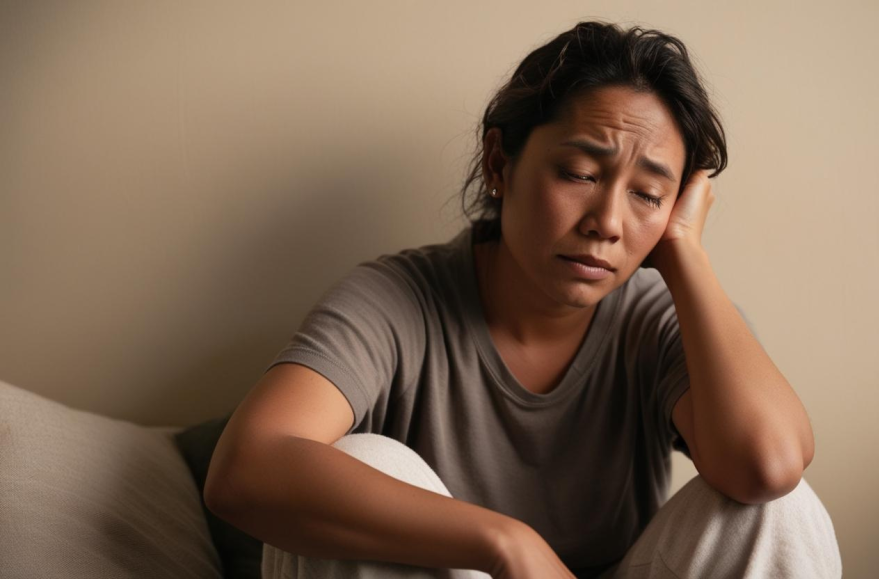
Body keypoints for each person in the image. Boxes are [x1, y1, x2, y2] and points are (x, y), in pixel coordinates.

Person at [204, 20, 842, 579]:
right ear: (499, 163)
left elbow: (769, 466)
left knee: (778, 510)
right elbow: (248, 468)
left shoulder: (658, 318)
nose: (607, 222)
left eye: (648, 195)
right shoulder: (398, 302)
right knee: (364, 461)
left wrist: (685, 256)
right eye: (580, 174)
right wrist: (506, 544)